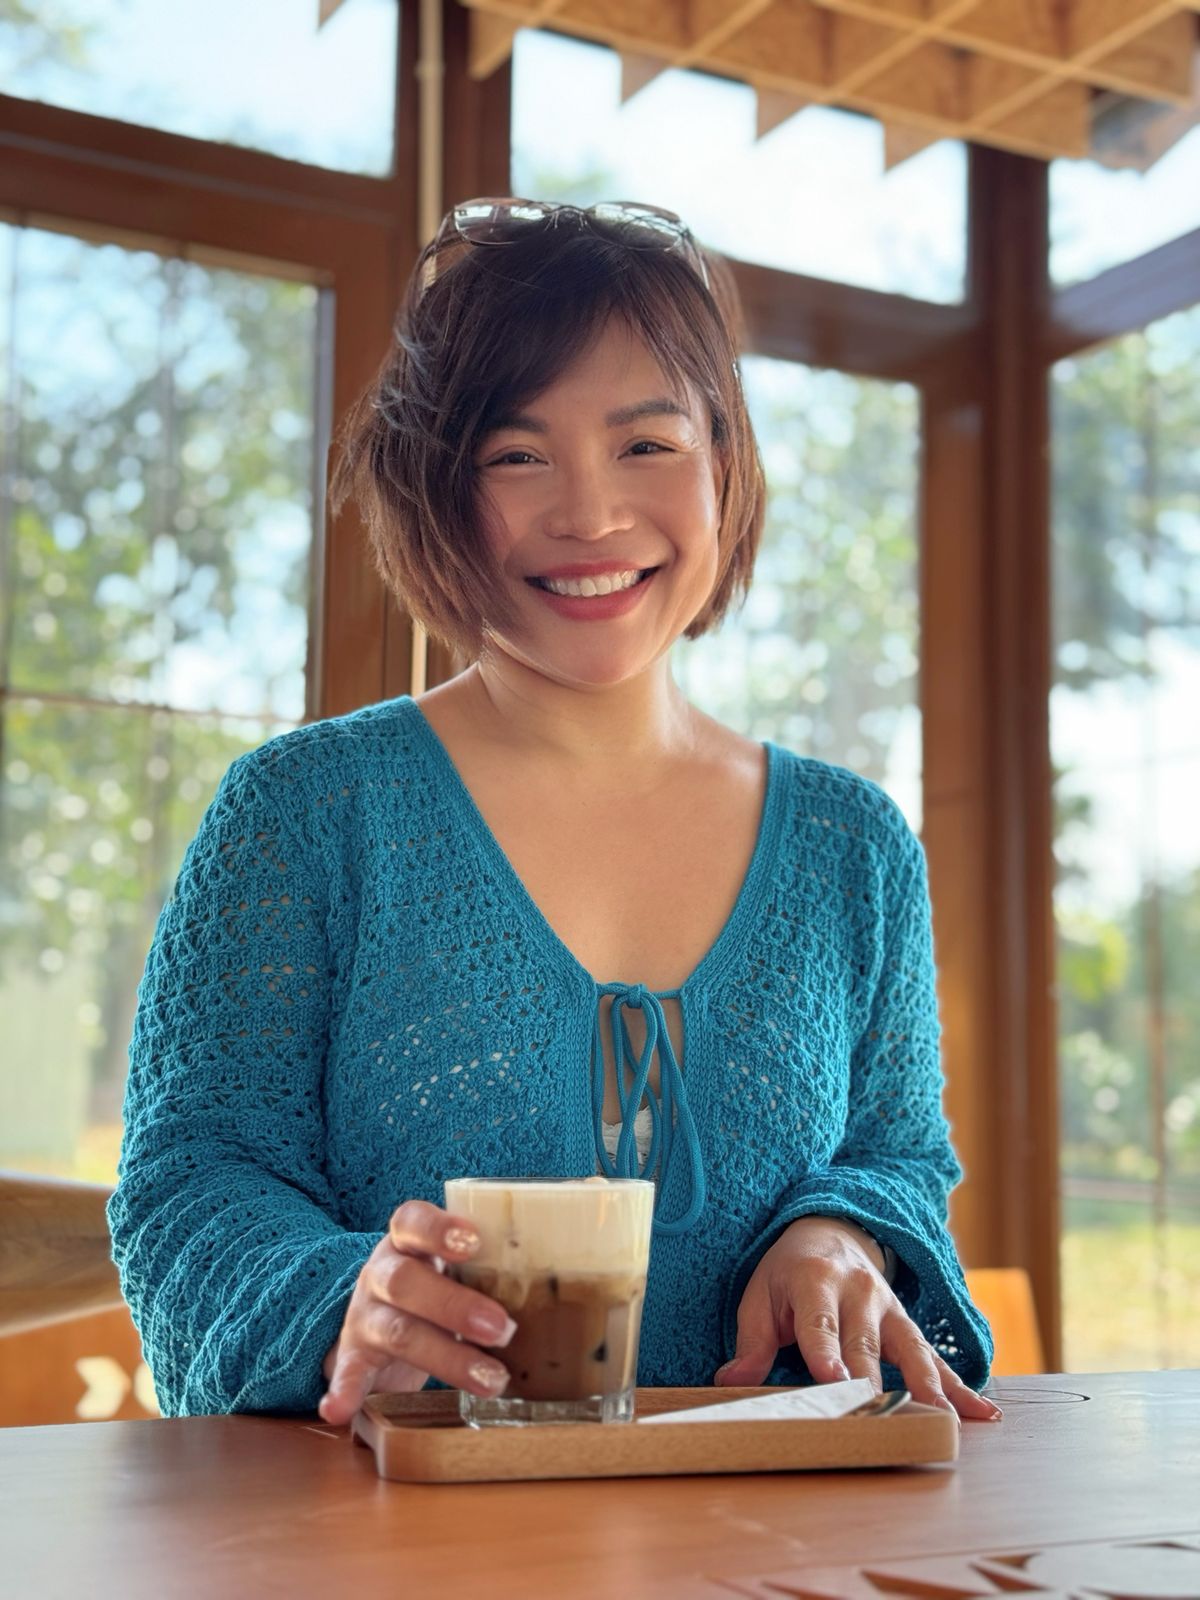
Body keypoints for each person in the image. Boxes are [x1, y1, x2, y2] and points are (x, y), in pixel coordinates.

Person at [107, 198, 1001, 1428]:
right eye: (517, 455)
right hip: (394, 1543)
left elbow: (902, 1155)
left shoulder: (857, 850)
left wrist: (845, 1232)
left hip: (786, 1533)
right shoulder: (304, 812)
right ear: (436, 487)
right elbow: (189, 1185)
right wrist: (341, 1301)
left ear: (725, 465)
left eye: (648, 444)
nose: (590, 515)